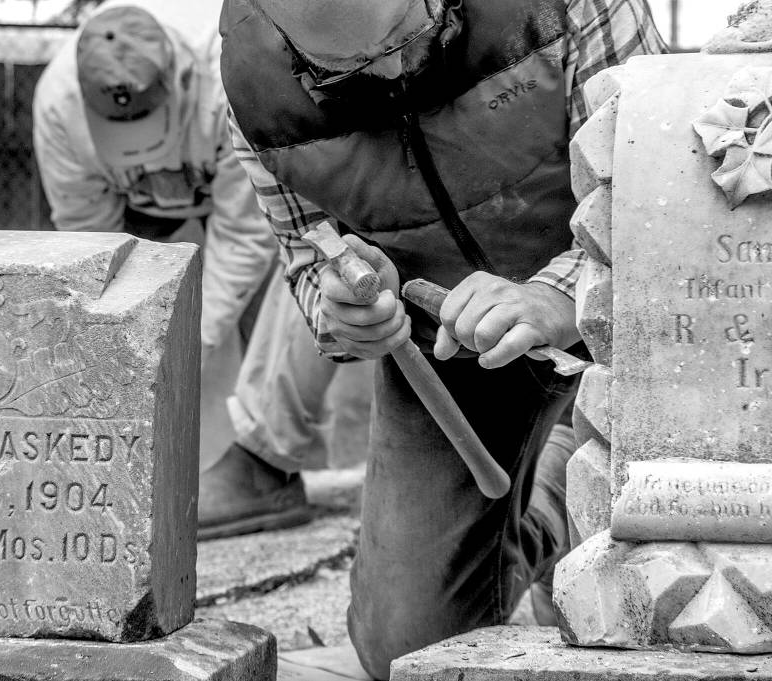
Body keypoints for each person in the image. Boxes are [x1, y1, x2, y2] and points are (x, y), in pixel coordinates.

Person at [219, 0, 665, 676]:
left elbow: (656, 192)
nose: (398, 70)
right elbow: (306, 253)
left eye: (411, 34)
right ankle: (549, 510)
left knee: (637, 604)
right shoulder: (259, 91)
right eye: (355, 70)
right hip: (447, 346)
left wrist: (556, 296)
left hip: (619, 330)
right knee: (404, 646)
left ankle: (574, 453)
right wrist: (340, 312)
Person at [33, 0, 373, 538]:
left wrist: (191, 337)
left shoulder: (225, 77)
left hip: (243, 200)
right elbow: (89, 240)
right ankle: (130, 470)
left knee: (275, 293)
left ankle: (264, 463)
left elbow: (246, 237)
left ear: (179, 78)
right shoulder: (58, 107)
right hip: (152, 222)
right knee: (134, 344)